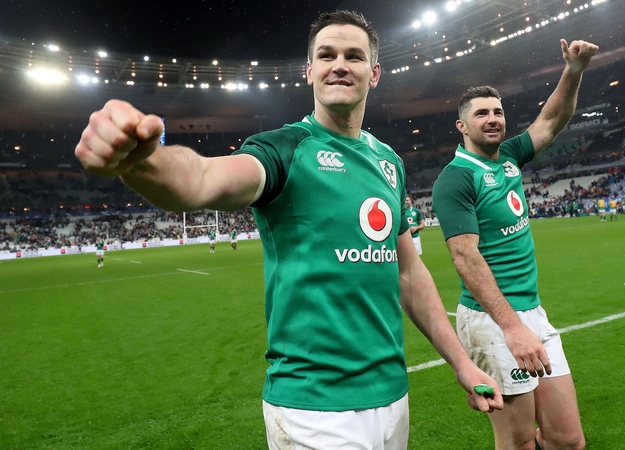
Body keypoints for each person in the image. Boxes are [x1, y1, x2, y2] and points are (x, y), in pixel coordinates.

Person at [74, 10, 501, 449]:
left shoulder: (388, 161)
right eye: (326, 55)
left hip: (393, 397)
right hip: (314, 408)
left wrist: (462, 363)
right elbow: (200, 178)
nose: (339, 65)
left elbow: (409, 273)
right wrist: (142, 160)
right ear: (309, 71)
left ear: (374, 74)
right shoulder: (283, 149)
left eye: (354, 56)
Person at [432, 38, 598, 450]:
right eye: (481, 113)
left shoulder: (509, 156)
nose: (492, 119)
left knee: (567, 440)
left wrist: (574, 70)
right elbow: (464, 256)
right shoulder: (456, 179)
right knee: (518, 441)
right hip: (493, 321)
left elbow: (551, 120)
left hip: (531, 312)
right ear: (462, 126)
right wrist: (511, 327)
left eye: (498, 112)